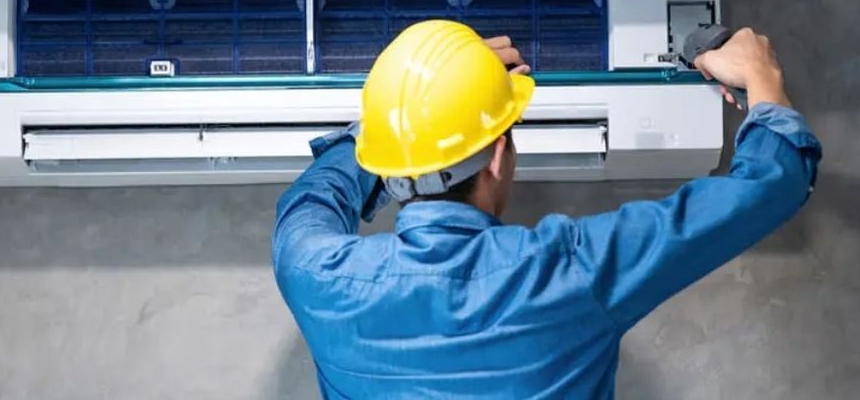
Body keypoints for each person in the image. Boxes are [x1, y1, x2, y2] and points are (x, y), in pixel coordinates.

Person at [272, 20, 821, 399]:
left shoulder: (315, 274)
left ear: (387, 162)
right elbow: (770, 185)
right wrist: (761, 75)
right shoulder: (571, 270)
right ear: (499, 157)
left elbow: (314, 196)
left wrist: (421, 102)